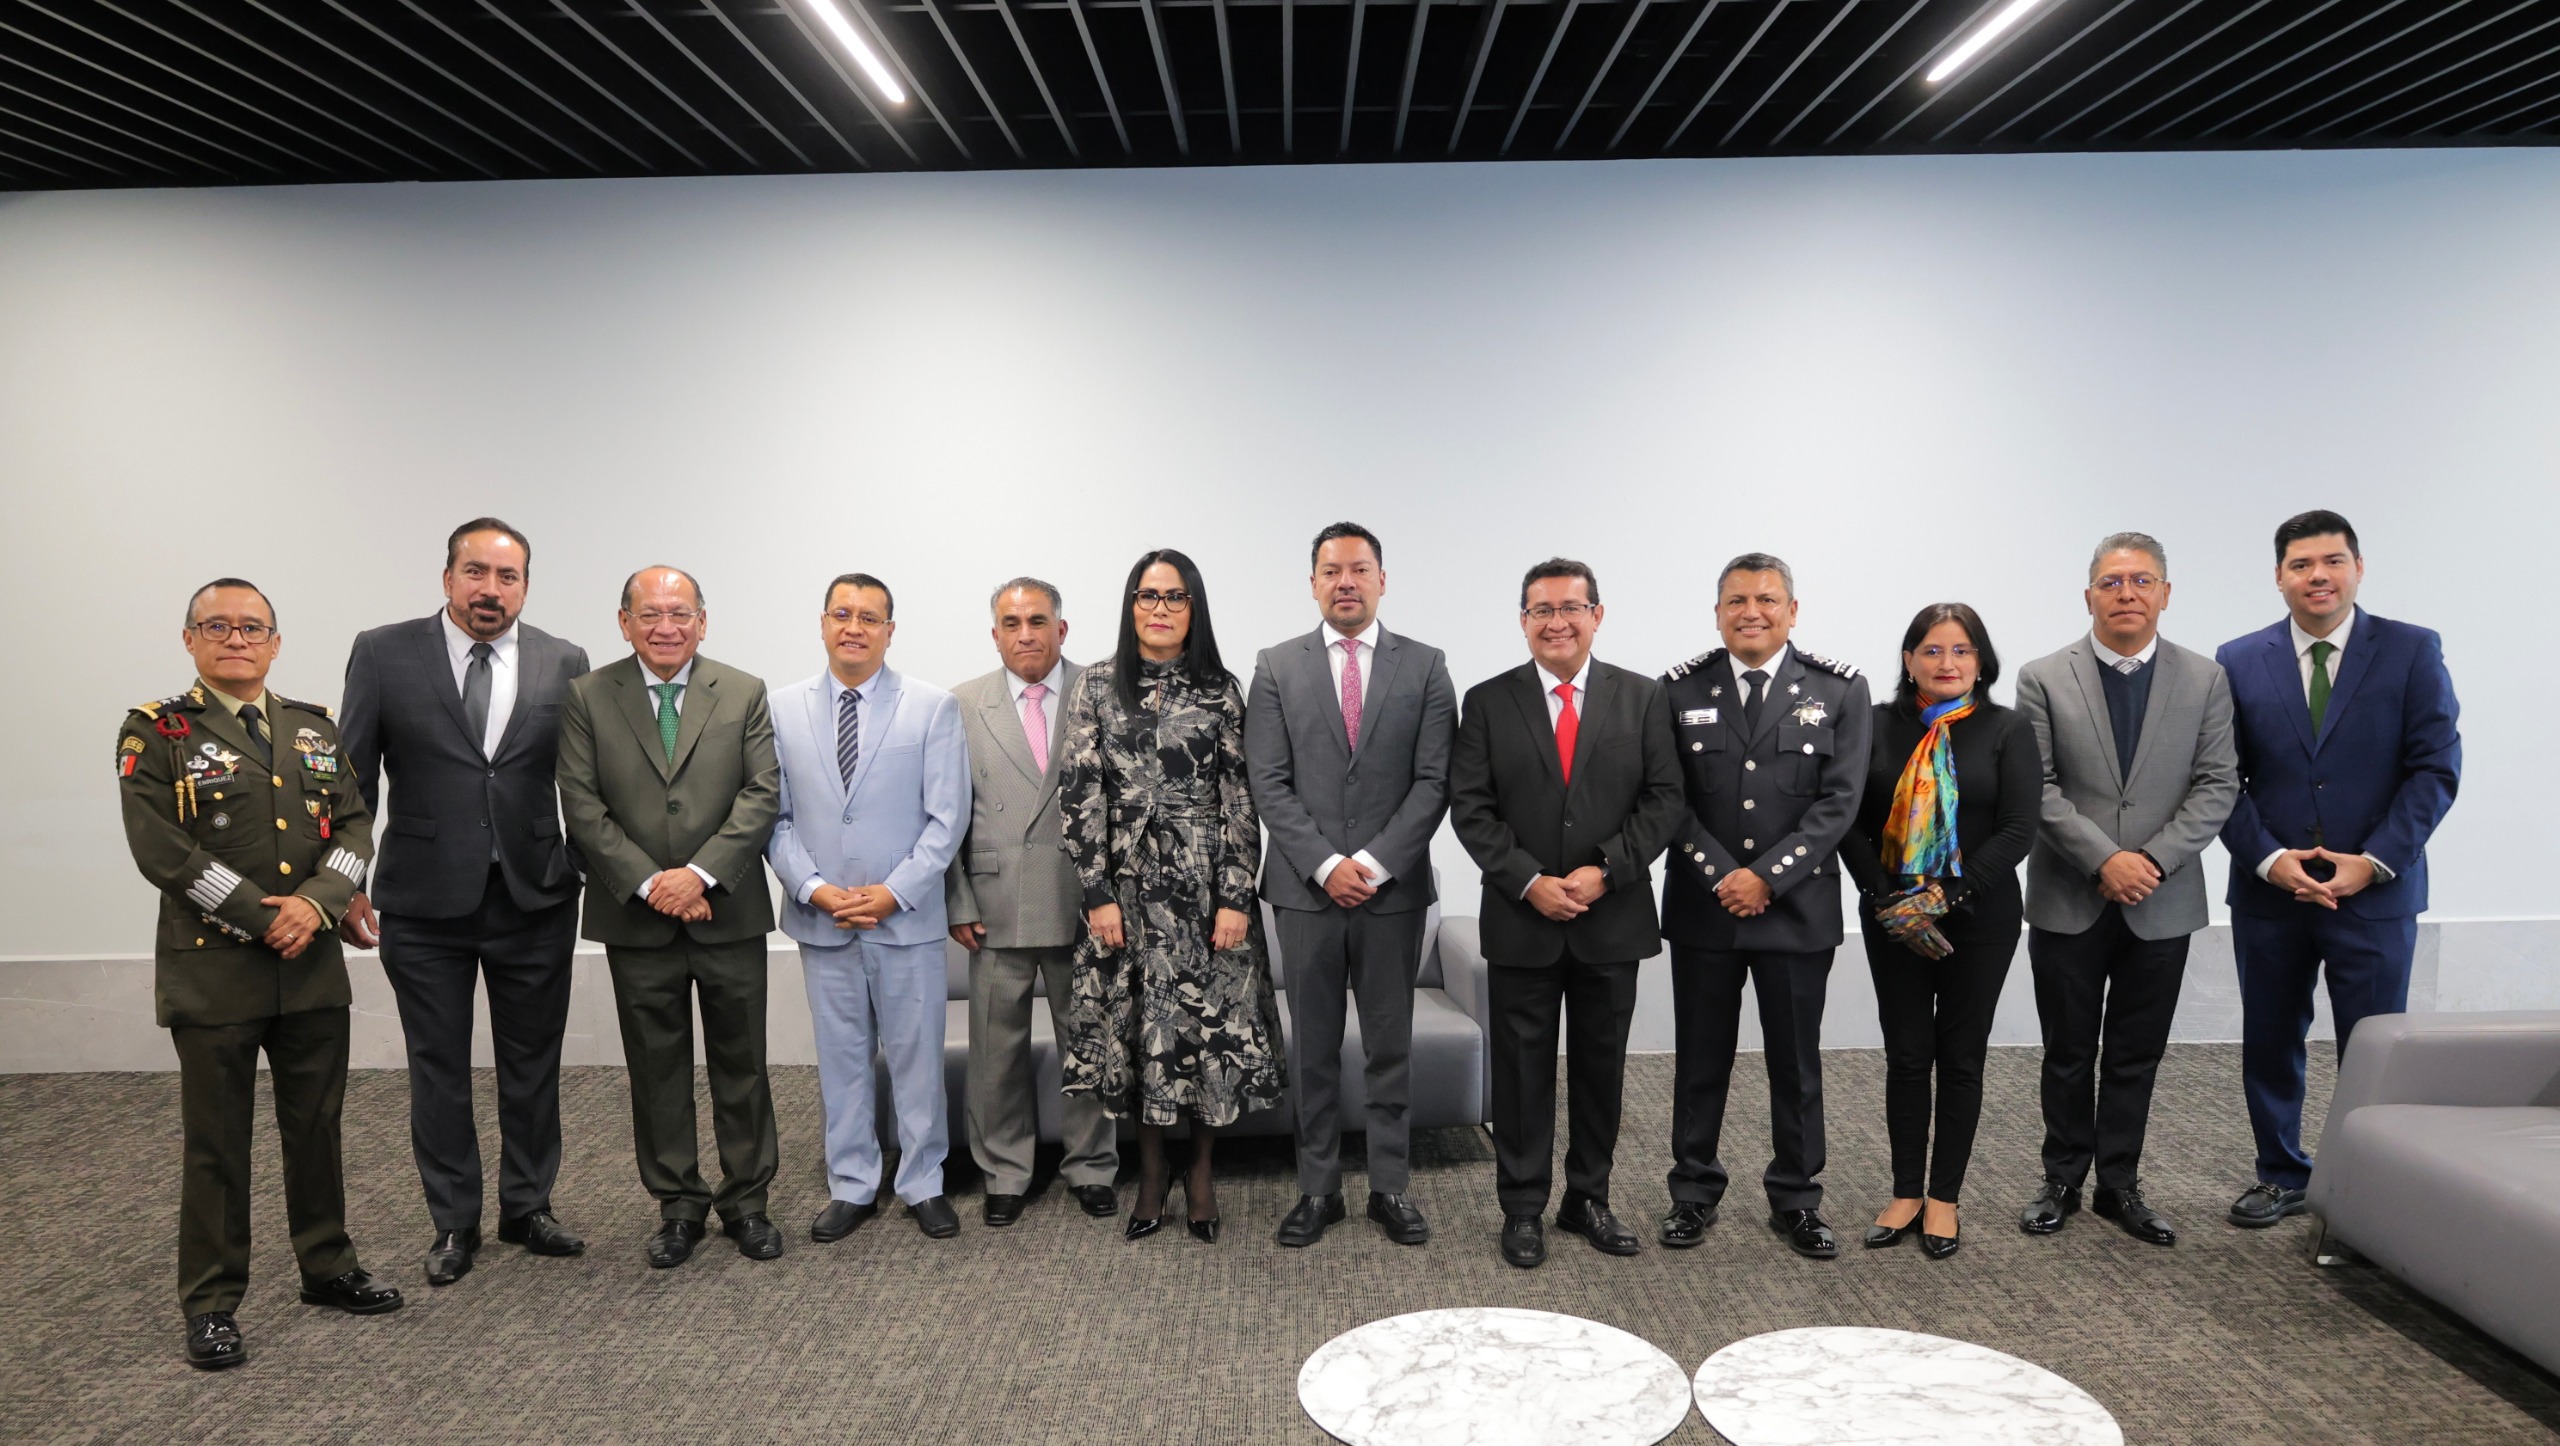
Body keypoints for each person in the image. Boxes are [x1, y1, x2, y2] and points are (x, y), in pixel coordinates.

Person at [119, 579, 402, 1370]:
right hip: (215, 972)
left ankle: (328, 1265)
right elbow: (161, 849)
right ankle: (211, 1302)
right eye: (218, 627)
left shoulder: (312, 728)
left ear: (275, 643)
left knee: (317, 1126)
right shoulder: (157, 731)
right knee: (217, 1143)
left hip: (310, 968)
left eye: (252, 628)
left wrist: (318, 904)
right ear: (190, 640)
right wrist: (260, 914)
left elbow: (353, 824)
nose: (236, 639)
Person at [338, 517, 592, 1287]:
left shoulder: (564, 660)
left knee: (533, 1063)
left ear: (525, 586)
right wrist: (346, 881)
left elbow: (583, 781)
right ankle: (454, 1221)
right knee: (438, 1066)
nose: (490, 589)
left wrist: (583, 866)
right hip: (423, 903)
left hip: (533, 897)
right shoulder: (383, 652)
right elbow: (353, 781)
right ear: (447, 578)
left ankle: (528, 1206)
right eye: (475, 572)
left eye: (507, 576)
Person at [2218, 511, 2460, 1228]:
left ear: (2358, 568)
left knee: (2374, 1046)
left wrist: (2375, 861)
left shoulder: (2412, 650)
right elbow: (2220, 778)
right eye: (2301, 564)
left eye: (2332, 561)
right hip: (2272, 892)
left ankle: (2369, 1185)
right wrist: (2269, 860)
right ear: (2279, 577)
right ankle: (2280, 1173)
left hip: (2375, 893)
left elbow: (2435, 769)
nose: (2317, 576)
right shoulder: (2238, 659)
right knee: (2270, 1039)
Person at [1449, 558, 1684, 1269]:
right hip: (1522, 920)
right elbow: (1471, 808)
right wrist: (1528, 881)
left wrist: (1606, 871)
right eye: (1542, 610)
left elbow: (1665, 799)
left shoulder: (1642, 697)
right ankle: (1522, 1208)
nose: (1557, 622)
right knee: (1521, 1074)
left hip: (1611, 918)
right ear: (1523, 621)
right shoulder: (1488, 702)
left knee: (1600, 1069)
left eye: (1571, 608)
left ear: (1597, 615)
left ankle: (1589, 1198)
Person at [2014, 532, 2238, 1247]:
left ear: (2165, 594)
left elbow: (2217, 784)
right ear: (2089, 596)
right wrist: (2104, 859)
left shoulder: (2205, 679)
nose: (2127, 594)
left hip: (2162, 900)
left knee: (2137, 1052)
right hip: (2069, 894)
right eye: (2111, 582)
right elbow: (2037, 787)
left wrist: (2151, 862)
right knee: (2067, 1050)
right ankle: (2061, 1179)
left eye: (2142, 581)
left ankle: (2120, 1183)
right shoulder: (2043, 677)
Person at [555, 567, 783, 1268]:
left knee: (742, 1063)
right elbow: (581, 803)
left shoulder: (743, 691)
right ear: (624, 623)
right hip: (637, 917)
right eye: (649, 613)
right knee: (656, 1068)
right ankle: (678, 1205)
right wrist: (654, 884)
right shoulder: (588, 696)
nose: (665, 627)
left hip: (727, 910)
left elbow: (762, 792)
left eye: (680, 613)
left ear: (702, 622)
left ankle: (747, 1202)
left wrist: (699, 875)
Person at [1058, 549, 1285, 1245]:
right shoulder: (1098, 685)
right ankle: (1152, 1173)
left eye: (1175, 596)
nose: (1160, 608)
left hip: (1206, 892)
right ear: (1131, 605)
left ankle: (1202, 1173)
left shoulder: (1221, 690)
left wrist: (1237, 897)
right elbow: (1080, 793)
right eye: (1147, 595)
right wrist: (1096, 892)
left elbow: (1242, 800)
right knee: (1139, 1033)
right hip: (1125, 894)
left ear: (1194, 608)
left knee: (1207, 1032)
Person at [1246, 522, 1458, 1249]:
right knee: (1312, 1047)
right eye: (1331, 570)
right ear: (1312, 583)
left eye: (1359, 569)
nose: (1346, 582)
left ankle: (1390, 1187)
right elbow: (1268, 782)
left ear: (1381, 580)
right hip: (1304, 892)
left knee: (1389, 1045)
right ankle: (1318, 1189)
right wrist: (1325, 864)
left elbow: (1434, 781)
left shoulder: (1425, 666)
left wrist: (1371, 863)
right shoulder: (1276, 666)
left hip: (1391, 893)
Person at [1657, 552, 1872, 1261]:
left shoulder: (1839, 690)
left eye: (1767, 599)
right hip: (1706, 906)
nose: (1752, 612)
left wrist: (1768, 878)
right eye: (1737, 601)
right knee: (1700, 1059)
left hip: (1796, 909)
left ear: (1792, 610)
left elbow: (1840, 801)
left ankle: (1797, 1198)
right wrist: (1724, 875)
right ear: (1718, 613)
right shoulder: (1678, 689)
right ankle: (1693, 1191)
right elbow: (1669, 798)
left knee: (1796, 1062)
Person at [770, 574, 972, 1241]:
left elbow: (947, 819)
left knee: (917, 1058)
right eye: (841, 613)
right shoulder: (780, 708)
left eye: (868, 617)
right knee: (841, 1058)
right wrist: (814, 888)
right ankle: (852, 1184)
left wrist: (891, 892)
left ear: (890, 630)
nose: (853, 627)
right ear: (822, 623)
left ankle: (923, 1182)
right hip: (822, 917)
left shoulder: (932, 707)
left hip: (905, 917)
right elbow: (775, 818)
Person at [1837, 604, 2039, 1260]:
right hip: (1892, 915)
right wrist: (1889, 900)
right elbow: (1847, 818)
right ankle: (1904, 1191)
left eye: (1960, 650)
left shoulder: (2007, 729)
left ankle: (1944, 1196)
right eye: (1931, 650)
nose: (1946, 663)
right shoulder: (1872, 726)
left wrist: (1944, 895)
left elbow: (2018, 828)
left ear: (1981, 662)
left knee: (1960, 1056)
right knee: (1906, 1055)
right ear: (1908, 660)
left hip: (1980, 916)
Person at [945, 578, 1120, 1226]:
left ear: (1061, 629)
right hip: (995, 901)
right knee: (996, 1052)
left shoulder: (1103, 692)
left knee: (1090, 1041)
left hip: (1087, 900)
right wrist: (957, 899)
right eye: (1012, 623)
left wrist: (1117, 895)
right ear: (995, 635)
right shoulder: (963, 703)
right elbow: (944, 811)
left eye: (1038, 621)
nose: (1026, 635)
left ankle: (1091, 1165)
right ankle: (1004, 1171)